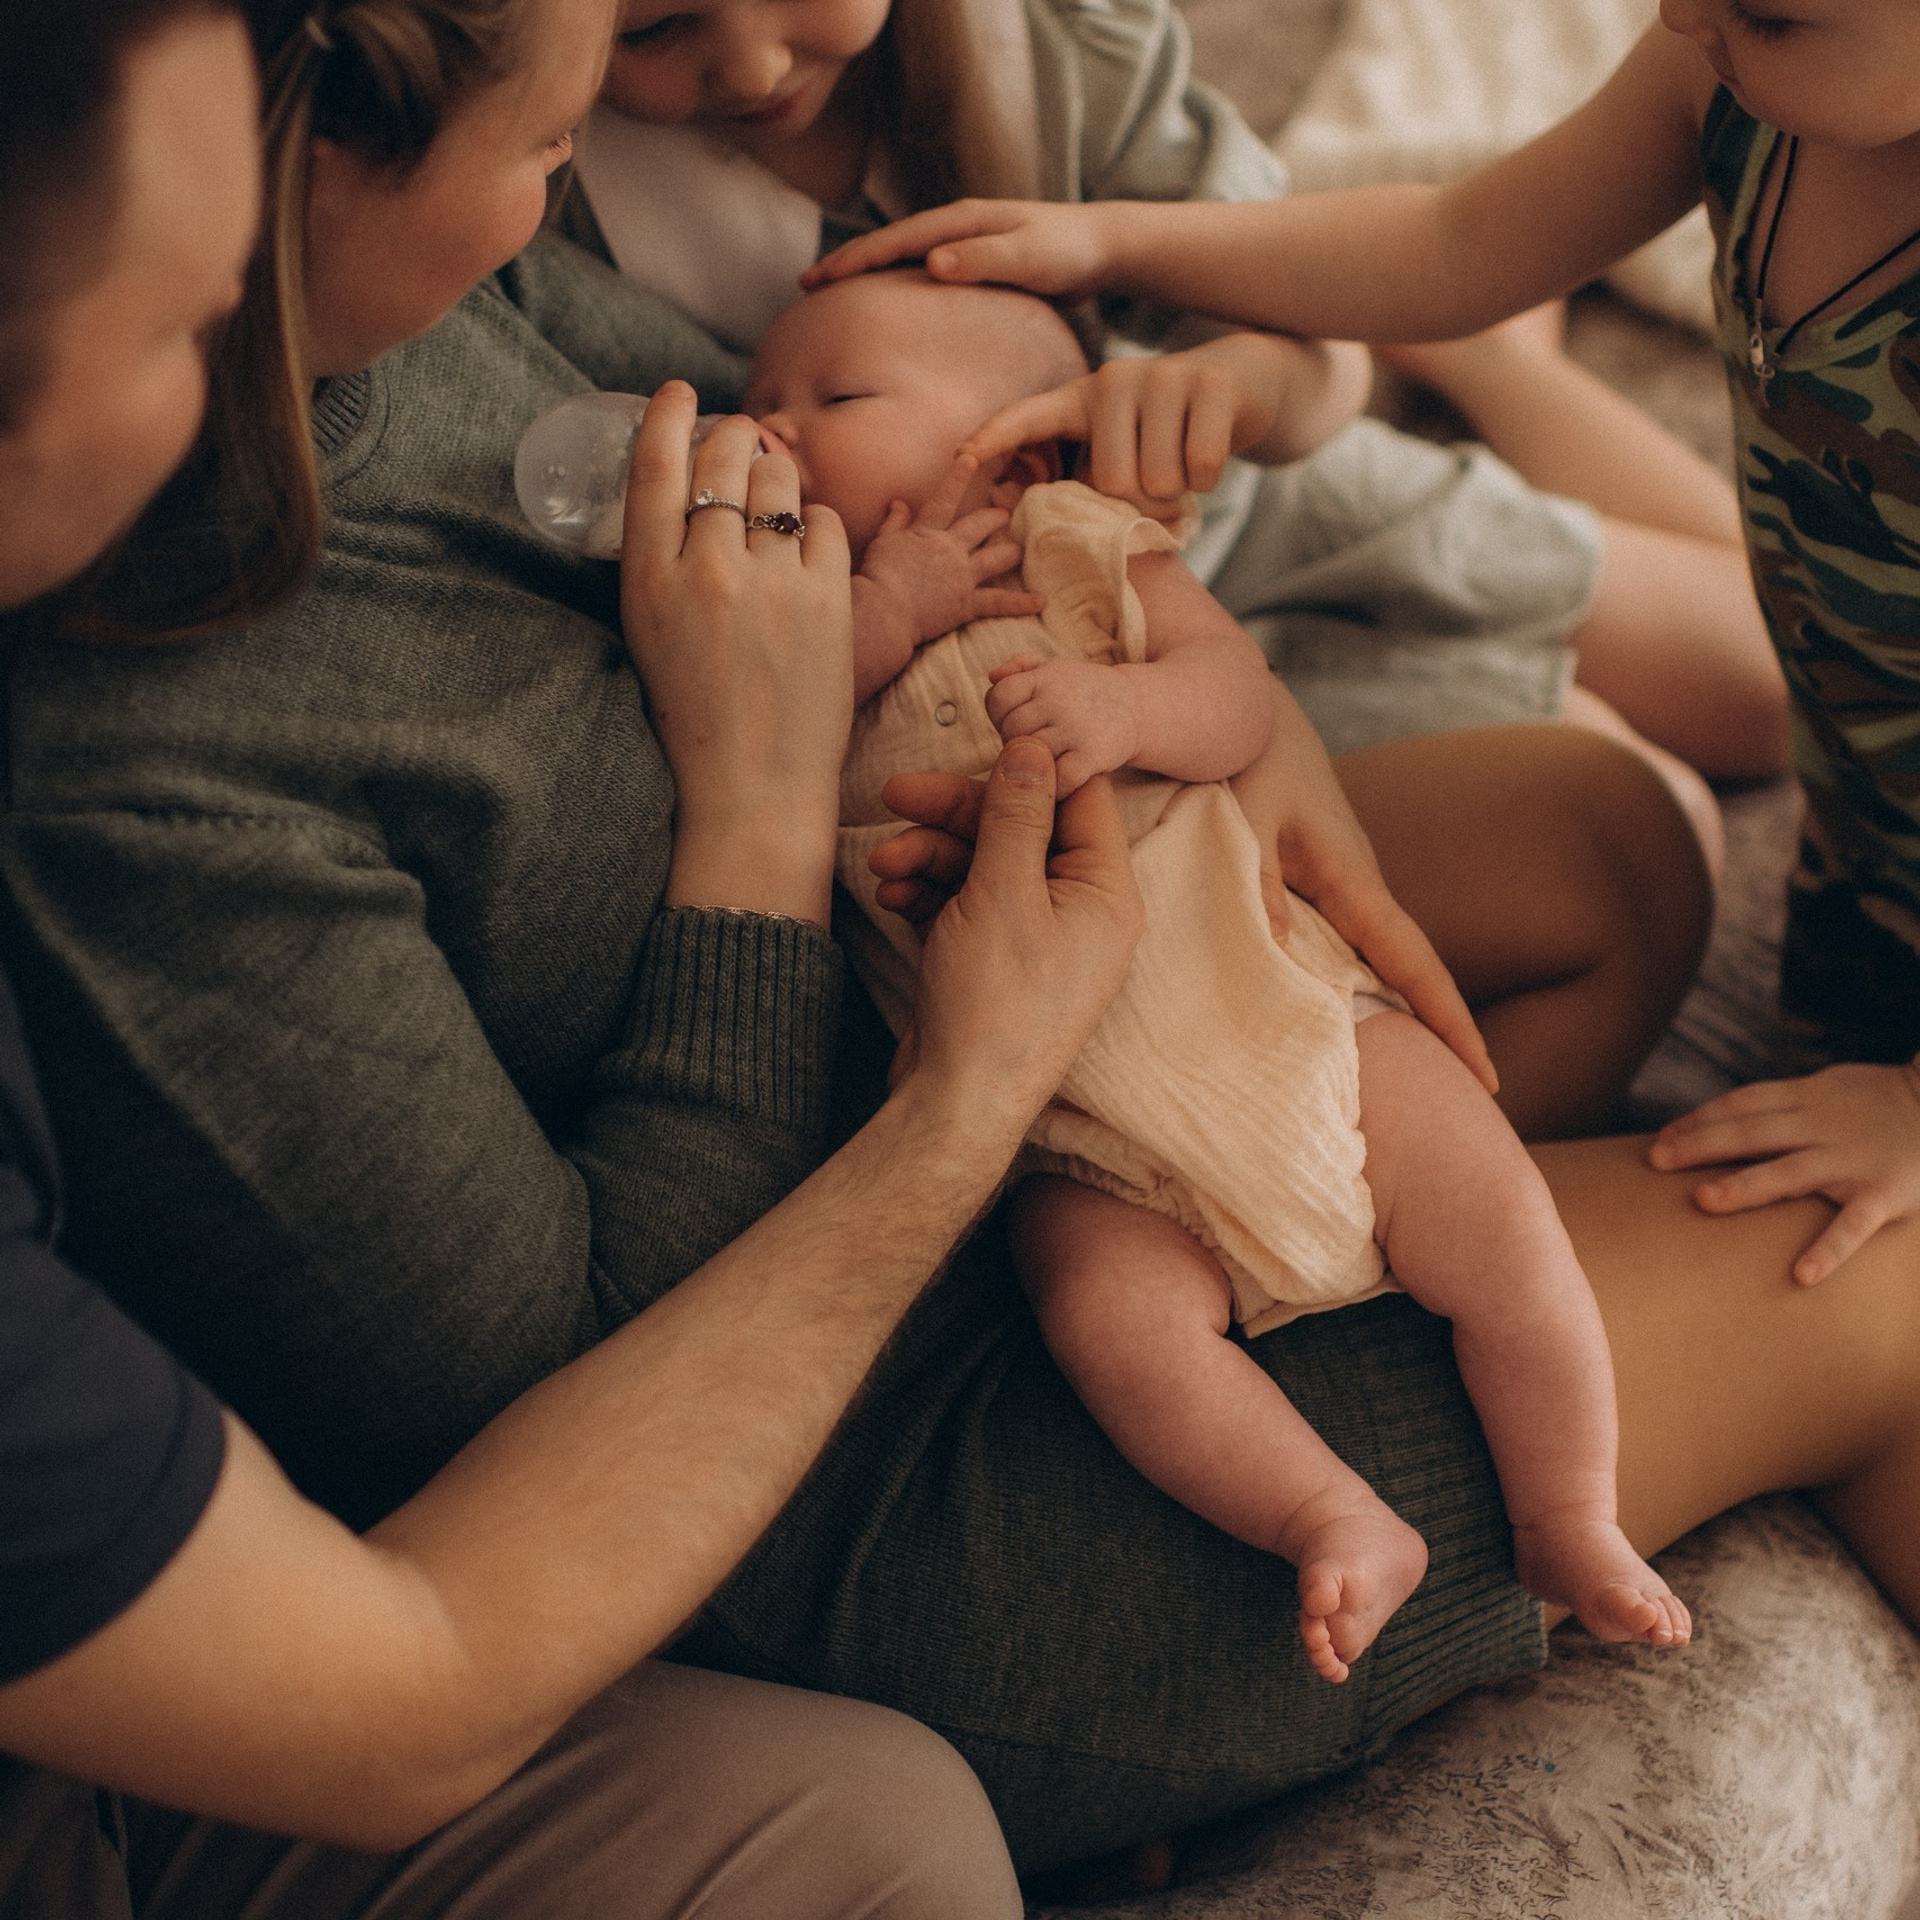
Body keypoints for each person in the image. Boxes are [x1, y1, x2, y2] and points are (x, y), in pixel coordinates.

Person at [5, 0, 1917, 1891]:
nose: (585, 161)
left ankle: (1349, 1235)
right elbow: (569, 1426)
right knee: (1889, 1269)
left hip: (1018, 937)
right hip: (894, 1396)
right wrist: (774, 852)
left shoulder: (387, 306)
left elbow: (911, 471)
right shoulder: (133, 795)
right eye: (546, 137)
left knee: (1603, 842)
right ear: (314, 131)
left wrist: (1241, 741)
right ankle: (1336, 1458)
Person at [0, 2, 1141, 1914]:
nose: (245, 353)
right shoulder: (119, 779)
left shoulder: (446, 315)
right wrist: (945, 1081)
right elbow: (417, 1663)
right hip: (699, 1390)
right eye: (197, 323)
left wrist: (1210, 692)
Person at [800, 0, 1920, 1296]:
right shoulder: (1717, 66)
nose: (1674, 12)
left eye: (1770, 11)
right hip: (1868, 838)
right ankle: (1505, 370)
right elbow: (1456, 241)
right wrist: (1111, 240)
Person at [751, 268, 1690, 1683]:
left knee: (1507, 1225)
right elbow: (765, 735)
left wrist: (1127, 705)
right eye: (761, 401)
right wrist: (886, 602)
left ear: (1019, 455)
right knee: (1105, 1320)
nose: (775, 428)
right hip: (1073, 1133)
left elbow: (1234, 694)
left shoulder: (1080, 541)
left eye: (837, 396)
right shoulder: (786, 618)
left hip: (1285, 1008)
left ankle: (1568, 1515)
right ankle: (1333, 1516)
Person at [569, 0, 1788, 785]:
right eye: (653, 26)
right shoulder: (567, 219)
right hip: (1064, 671)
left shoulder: (1059, 44)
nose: (753, 62)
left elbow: (1321, 369)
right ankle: (1488, 360)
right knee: (1625, 785)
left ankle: (1490, 360)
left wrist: (1242, 384)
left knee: (1770, 690)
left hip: (1263, 499)